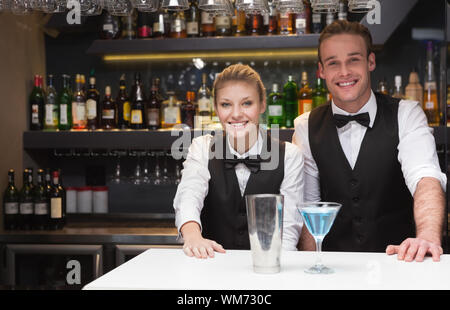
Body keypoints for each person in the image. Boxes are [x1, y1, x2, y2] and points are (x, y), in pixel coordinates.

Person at [293, 20, 446, 262]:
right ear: (321, 71)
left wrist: (427, 236)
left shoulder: (407, 113)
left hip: (400, 264)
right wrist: (311, 268)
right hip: (336, 268)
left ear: (370, 62)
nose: (344, 72)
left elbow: (425, 176)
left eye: (353, 59)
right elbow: (308, 208)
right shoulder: (305, 126)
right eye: (333, 63)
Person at [174, 64, 304, 259]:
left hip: (269, 268)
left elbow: (288, 230)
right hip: (211, 266)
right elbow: (188, 195)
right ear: (216, 108)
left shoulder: (289, 155)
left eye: (246, 103)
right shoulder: (201, 147)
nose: (236, 114)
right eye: (226, 104)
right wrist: (192, 236)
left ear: (262, 105)